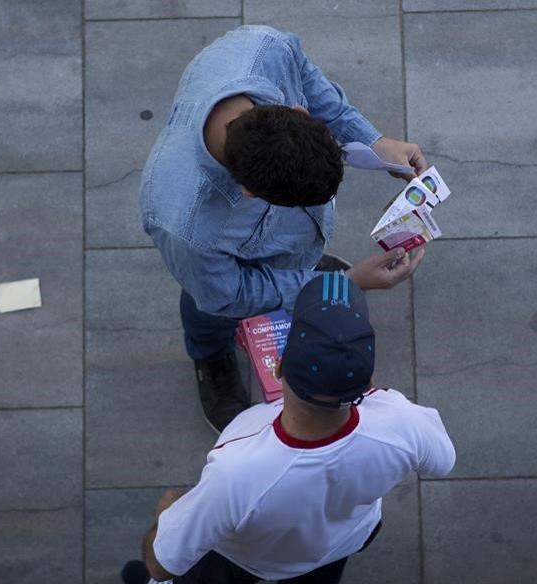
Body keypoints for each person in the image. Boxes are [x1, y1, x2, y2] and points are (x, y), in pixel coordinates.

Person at [120, 272, 456, 584]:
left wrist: (167, 514)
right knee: (317, 580)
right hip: (344, 537)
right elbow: (443, 461)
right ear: (366, 382)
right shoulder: (401, 420)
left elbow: (161, 563)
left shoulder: (238, 469)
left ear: (277, 366)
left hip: (249, 556)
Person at [139, 25, 429, 432]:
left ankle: (303, 271)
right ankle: (211, 356)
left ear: (298, 113)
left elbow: (316, 89)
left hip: (270, 244)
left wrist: (374, 143)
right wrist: (346, 282)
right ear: (250, 193)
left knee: (297, 265)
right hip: (219, 283)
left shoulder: (267, 49)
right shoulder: (183, 225)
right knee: (208, 311)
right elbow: (228, 293)